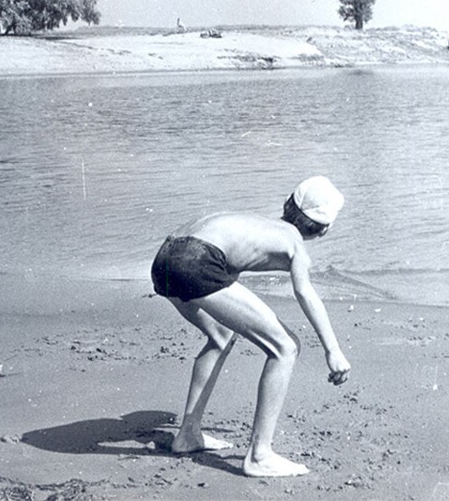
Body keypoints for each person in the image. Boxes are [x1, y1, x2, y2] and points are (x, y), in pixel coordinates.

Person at [150, 175, 351, 478]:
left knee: (220, 336)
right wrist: (332, 349)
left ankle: (188, 435)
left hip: (165, 257)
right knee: (286, 347)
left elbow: (223, 266)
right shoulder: (295, 243)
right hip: (197, 261)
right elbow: (304, 292)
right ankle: (260, 455)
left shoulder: (257, 223)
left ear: (289, 204)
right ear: (324, 229)